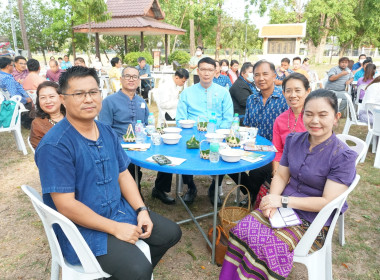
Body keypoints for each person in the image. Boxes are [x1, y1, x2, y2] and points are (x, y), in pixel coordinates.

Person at [35, 66, 181, 280]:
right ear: (63, 99)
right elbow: (66, 205)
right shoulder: (55, 145)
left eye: (93, 92)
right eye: (79, 94)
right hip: (82, 228)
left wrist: (141, 209)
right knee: (138, 269)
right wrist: (115, 229)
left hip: (118, 211)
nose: (88, 99)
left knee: (170, 233)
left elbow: (123, 174)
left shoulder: (106, 131)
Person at [220, 89, 357, 280]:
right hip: (283, 208)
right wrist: (270, 202)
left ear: (336, 117)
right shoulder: (294, 140)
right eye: (309, 114)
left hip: (313, 221)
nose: (315, 121)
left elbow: (326, 201)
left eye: (323, 115)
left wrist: (282, 201)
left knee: (272, 247)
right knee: (243, 228)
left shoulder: (343, 156)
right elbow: (282, 176)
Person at [228, 60, 288, 204]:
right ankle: (252, 193)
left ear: (274, 76)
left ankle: (252, 196)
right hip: (253, 147)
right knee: (229, 164)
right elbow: (248, 126)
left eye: (265, 74)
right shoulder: (251, 99)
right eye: (257, 75)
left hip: (275, 150)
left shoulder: (283, 99)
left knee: (257, 172)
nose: (261, 78)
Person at [176, 57, 234, 205]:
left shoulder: (223, 92)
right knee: (184, 151)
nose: (206, 73)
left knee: (223, 153)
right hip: (192, 134)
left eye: (210, 70)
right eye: (203, 69)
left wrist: (220, 134)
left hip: (218, 134)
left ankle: (215, 188)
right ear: (198, 71)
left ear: (216, 72)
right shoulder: (187, 93)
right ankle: (191, 187)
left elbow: (228, 118)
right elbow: (180, 119)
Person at [99, 67, 149, 191]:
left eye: (135, 77)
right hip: (118, 146)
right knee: (129, 166)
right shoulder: (109, 102)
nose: (131, 79)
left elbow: (147, 125)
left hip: (140, 144)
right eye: (127, 76)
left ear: (138, 80)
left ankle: (160, 189)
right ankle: (132, 195)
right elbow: (103, 130)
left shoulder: (141, 101)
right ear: (121, 79)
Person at [152, 68, 197, 204]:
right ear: (177, 77)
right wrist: (181, 102)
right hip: (169, 121)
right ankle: (160, 188)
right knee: (169, 154)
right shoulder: (166, 87)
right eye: (182, 81)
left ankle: (184, 184)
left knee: (181, 152)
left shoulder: (175, 86)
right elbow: (164, 104)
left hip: (178, 120)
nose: (183, 83)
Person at [0, 57, 34, 129]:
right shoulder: (8, 79)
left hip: (5, 101)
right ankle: (26, 122)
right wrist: (26, 100)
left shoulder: (2, 75)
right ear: (7, 66)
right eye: (12, 65)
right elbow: (14, 96)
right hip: (12, 103)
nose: (13, 67)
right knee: (29, 102)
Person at [29, 81, 65, 148]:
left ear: (61, 98)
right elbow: (42, 151)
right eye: (43, 97)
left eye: (51, 96)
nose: (48, 101)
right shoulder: (38, 124)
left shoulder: (74, 117)